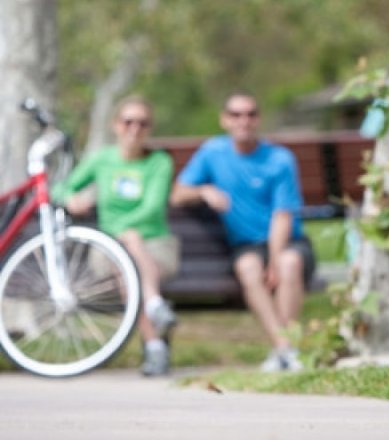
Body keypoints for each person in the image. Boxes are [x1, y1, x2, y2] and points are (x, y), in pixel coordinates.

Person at [170, 92, 314, 372]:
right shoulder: (212, 152)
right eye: (236, 115)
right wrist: (203, 190)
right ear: (224, 120)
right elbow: (178, 194)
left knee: (288, 264)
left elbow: (282, 215)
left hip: (287, 241)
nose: (243, 121)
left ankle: (285, 349)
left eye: (250, 114)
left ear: (258, 119)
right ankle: (284, 349)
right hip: (246, 246)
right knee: (249, 268)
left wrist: (273, 259)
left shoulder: (279, 159)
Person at [58, 95, 179, 377]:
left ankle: (154, 347)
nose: (134, 128)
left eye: (142, 123)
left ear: (150, 128)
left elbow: (152, 208)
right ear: (116, 125)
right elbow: (60, 188)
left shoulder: (160, 162)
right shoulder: (101, 159)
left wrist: (125, 232)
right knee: (125, 262)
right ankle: (155, 306)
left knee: (130, 261)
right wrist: (70, 198)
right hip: (109, 246)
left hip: (155, 244)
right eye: (128, 122)